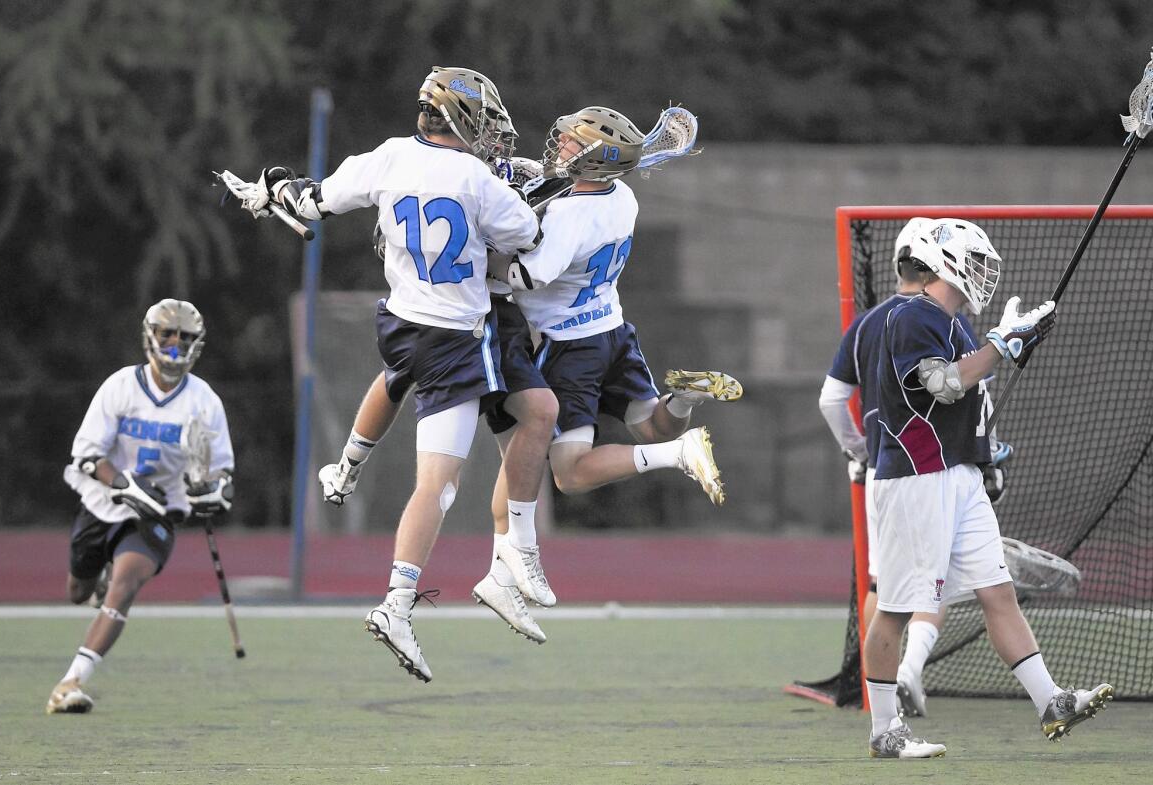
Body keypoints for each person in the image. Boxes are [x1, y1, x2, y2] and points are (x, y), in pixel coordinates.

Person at [256, 66, 542, 682]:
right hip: (452, 340)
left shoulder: (386, 156)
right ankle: (400, 603)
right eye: (486, 119)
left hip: (400, 321)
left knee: (395, 377)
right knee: (440, 484)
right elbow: (525, 236)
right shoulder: (474, 177)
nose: (494, 131)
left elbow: (316, 201)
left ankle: (347, 468)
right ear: (463, 119)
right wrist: (514, 187)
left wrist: (278, 188)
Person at [864, 217, 1113, 758]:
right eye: (971, 262)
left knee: (997, 591)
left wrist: (985, 447)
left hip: (959, 476)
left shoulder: (951, 322)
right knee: (896, 608)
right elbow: (944, 385)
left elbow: (968, 395)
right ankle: (884, 732)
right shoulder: (911, 315)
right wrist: (1003, 344)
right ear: (939, 260)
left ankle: (1052, 702)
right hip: (917, 478)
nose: (979, 273)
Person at [500, 106, 741, 516]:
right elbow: (576, 207)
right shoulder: (623, 197)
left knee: (570, 474)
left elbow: (527, 276)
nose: (560, 143)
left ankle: (677, 454)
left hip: (570, 347)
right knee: (653, 425)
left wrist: (486, 253)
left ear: (594, 157)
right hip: (612, 331)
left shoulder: (568, 214)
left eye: (571, 140)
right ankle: (682, 399)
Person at [46, 299, 234, 713]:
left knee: (125, 583)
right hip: (103, 503)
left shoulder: (205, 402)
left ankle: (70, 681)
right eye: (168, 335)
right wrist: (124, 482)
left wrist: (212, 492)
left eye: (183, 337)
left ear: (196, 344)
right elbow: (87, 455)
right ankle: (96, 582)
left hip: (159, 511)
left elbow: (221, 474)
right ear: (151, 337)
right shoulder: (121, 386)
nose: (174, 345)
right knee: (77, 591)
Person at [820, 217, 958, 717]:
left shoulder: (864, 324)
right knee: (934, 580)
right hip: (928, 466)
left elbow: (832, 400)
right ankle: (908, 672)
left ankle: (882, 692)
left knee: (884, 584)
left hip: (880, 469)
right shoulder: (937, 319)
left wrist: (858, 450)